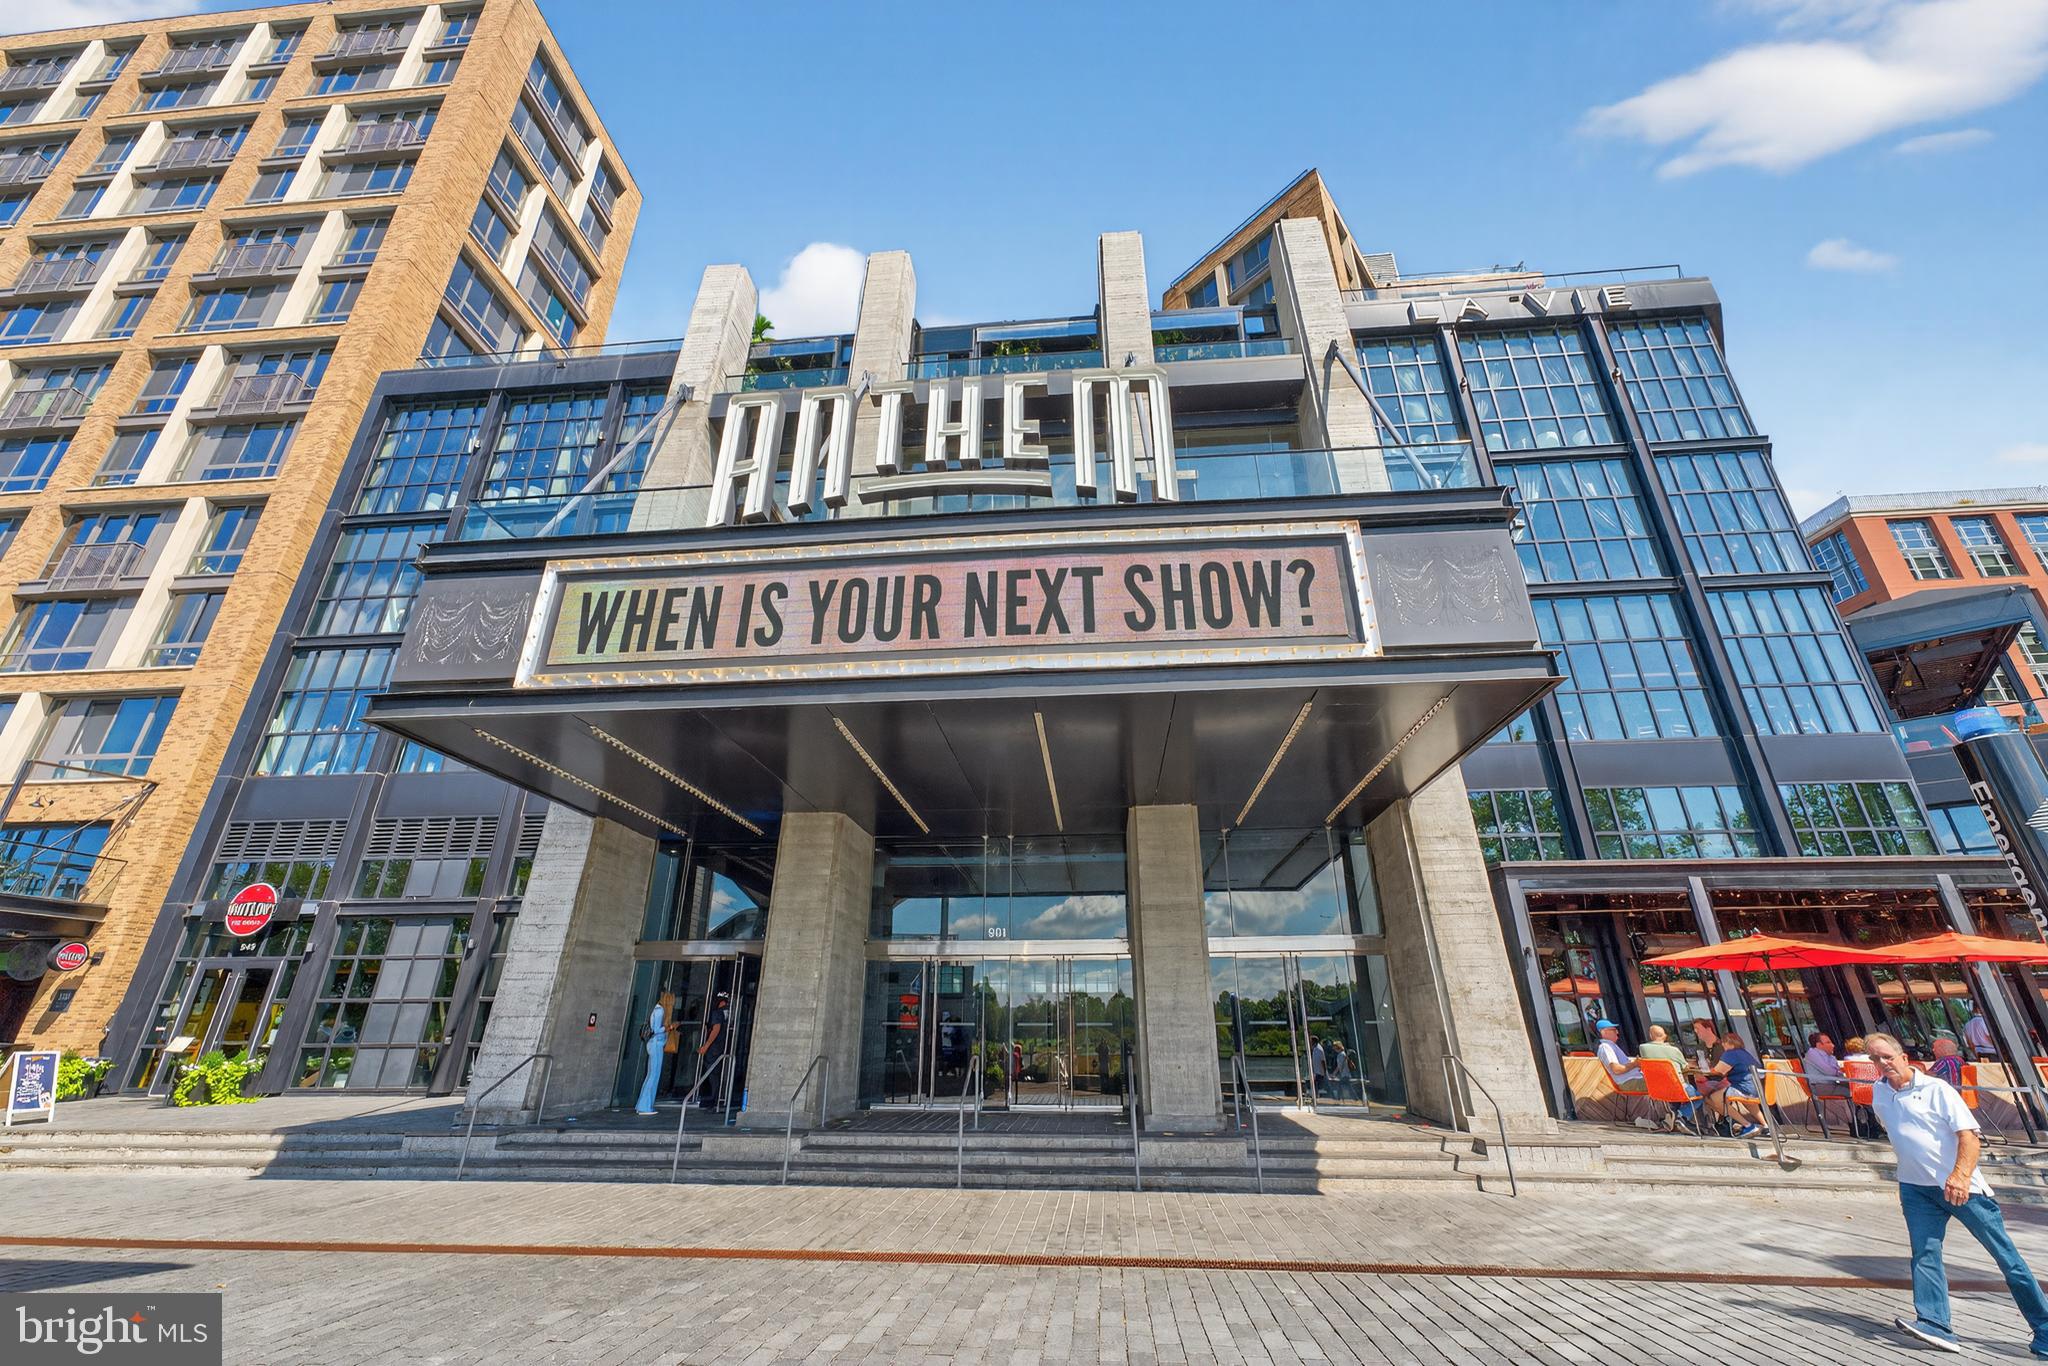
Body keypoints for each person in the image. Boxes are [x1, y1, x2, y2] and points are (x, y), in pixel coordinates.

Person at [1866, 1030, 2048, 1357]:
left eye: (1887, 1057)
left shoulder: (1937, 1089)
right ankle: (1935, 1324)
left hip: (1962, 1187)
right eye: (1875, 1059)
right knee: (1924, 1254)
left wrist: (1960, 1176)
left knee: (2006, 1258)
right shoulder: (1879, 1092)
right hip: (1915, 1188)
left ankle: (2046, 1330)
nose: (1882, 1063)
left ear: (1904, 1057)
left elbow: (1969, 1136)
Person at [1594, 1019, 1656, 1130]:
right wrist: (1635, 1064)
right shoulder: (1606, 1047)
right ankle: (1672, 1117)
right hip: (1627, 1081)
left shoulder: (1611, 1046)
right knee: (1663, 1084)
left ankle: (1660, 1118)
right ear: (1604, 1032)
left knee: (1661, 1081)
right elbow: (1616, 1069)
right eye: (1613, 1030)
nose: (1617, 1032)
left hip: (1633, 1079)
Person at [1704, 1030, 1767, 1138]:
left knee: (1712, 1099)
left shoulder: (1730, 1054)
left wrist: (1706, 1068)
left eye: (1724, 1043)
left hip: (1743, 1088)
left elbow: (1719, 1071)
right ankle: (1766, 1127)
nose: (1723, 1045)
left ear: (1728, 1043)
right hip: (1755, 1088)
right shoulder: (1745, 1053)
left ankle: (1748, 1125)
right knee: (1748, 1102)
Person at [1637, 1025, 1700, 1131]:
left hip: (1656, 1090)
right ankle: (1681, 1116)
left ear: (1651, 1036)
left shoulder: (1643, 1048)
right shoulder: (1674, 1050)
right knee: (1699, 1097)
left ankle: (1672, 1117)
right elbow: (1685, 1067)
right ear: (1665, 1036)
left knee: (1676, 1095)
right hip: (1677, 1088)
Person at [635, 997, 678, 1115]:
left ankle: (643, 1105)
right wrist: (670, 1027)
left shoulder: (656, 1010)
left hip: (654, 1044)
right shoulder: (660, 1011)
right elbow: (656, 1030)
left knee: (651, 1075)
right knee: (653, 1075)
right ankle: (645, 1106)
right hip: (656, 1044)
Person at [694, 990, 730, 1108]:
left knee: (712, 1071)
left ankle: (713, 1096)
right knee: (718, 1071)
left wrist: (706, 1046)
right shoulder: (728, 1012)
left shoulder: (717, 1013)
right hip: (723, 1045)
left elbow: (716, 1029)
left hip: (715, 1047)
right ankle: (718, 1096)